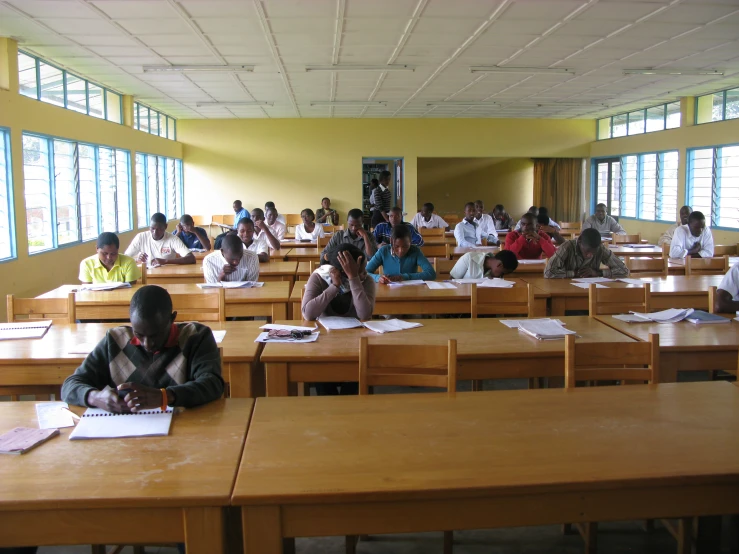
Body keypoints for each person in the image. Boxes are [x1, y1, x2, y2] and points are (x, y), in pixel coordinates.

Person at [61, 285, 224, 412]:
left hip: (184, 429)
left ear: (172, 319)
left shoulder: (195, 337)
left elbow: (212, 384)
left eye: (155, 335)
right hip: (124, 436)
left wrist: (165, 397)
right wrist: (94, 397)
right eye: (139, 334)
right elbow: (70, 384)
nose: (147, 344)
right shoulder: (114, 340)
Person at [302, 243, 375, 321]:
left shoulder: (367, 280)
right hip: (324, 331)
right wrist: (335, 286)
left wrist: (354, 279)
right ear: (344, 272)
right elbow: (308, 314)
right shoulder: (320, 276)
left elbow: (365, 315)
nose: (365, 273)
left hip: (356, 331)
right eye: (361, 271)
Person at [544, 228, 629, 278]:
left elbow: (624, 270)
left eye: (593, 252)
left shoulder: (600, 248)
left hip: (591, 288)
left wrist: (598, 273)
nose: (590, 255)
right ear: (580, 241)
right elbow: (548, 272)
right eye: (587, 251)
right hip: (566, 289)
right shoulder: (567, 247)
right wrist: (573, 273)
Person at [366, 224, 436, 283]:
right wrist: (377, 278)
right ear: (391, 241)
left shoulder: (415, 251)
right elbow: (365, 272)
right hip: (388, 292)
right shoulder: (383, 251)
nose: (401, 250)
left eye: (405, 246)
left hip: (410, 292)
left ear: (410, 241)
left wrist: (405, 277)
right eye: (396, 246)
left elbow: (431, 274)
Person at [124, 213, 194, 267]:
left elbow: (191, 258)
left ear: (166, 227)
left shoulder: (173, 239)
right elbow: (125, 258)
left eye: (159, 229)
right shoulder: (141, 237)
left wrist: (165, 261)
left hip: (166, 275)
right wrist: (137, 260)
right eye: (152, 228)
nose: (155, 232)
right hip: (146, 274)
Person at [450, 250, 519, 279]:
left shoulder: (494, 275)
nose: (501, 276)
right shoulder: (469, 258)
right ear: (499, 265)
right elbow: (451, 280)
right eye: (502, 273)